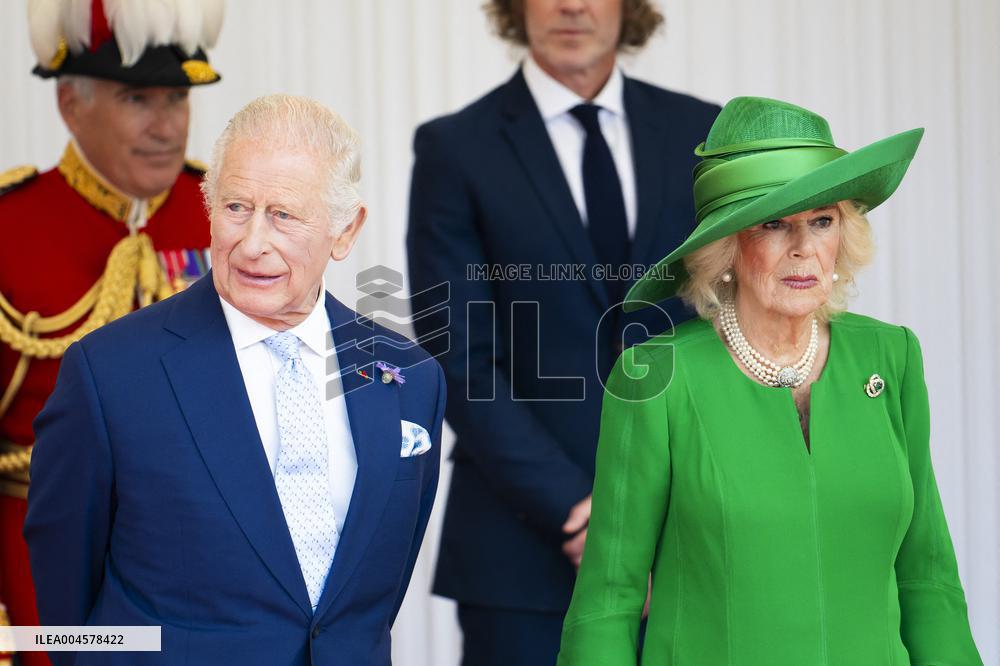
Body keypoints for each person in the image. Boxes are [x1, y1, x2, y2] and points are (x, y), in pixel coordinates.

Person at [557, 96, 983, 664]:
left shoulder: (889, 355)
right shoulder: (656, 376)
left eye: (823, 221)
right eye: (775, 224)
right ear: (728, 245)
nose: (804, 249)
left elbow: (928, 578)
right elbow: (609, 601)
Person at [24, 95, 445, 665]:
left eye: (284, 215)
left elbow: (366, 603)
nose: (251, 244)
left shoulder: (411, 379)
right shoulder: (109, 375)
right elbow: (66, 599)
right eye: (236, 208)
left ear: (345, 231)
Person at [406, 0, 719, 662]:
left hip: (688, 537)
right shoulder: (455, 148)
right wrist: (579, 513)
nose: (572, 4)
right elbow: (456, 353)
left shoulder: (702, 134)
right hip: (520, 555)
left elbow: (728, 323)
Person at [0, 3, 223, 661]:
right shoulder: (13, 227)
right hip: (49, 581)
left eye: (177, 98)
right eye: (136, 99)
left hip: (209, 576)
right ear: (71, 104)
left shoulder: (230, 215)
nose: (165, 126)